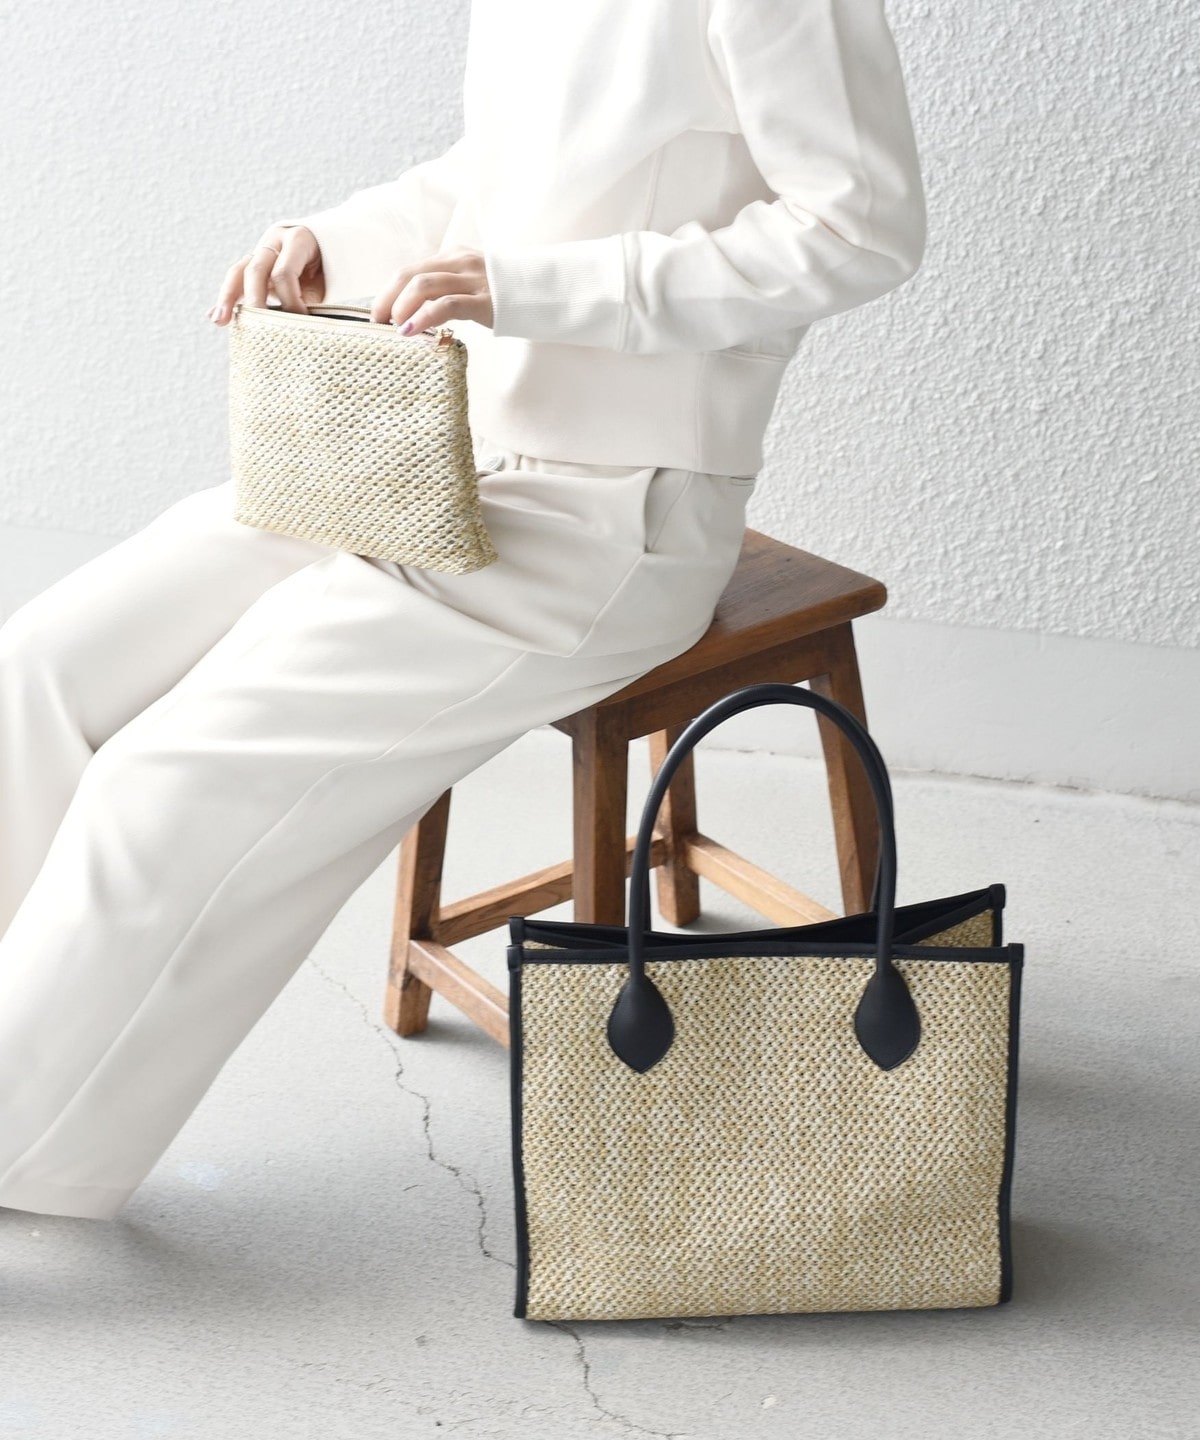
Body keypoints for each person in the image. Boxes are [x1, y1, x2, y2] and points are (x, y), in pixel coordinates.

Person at [0, 0, 925, 1219]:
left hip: (612, 510)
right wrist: (336, 243)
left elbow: (860, 230)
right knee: (42, 667)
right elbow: (494, 177)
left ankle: (24, 1140)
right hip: (423, 447)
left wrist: (532, 289)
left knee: (166, 779)